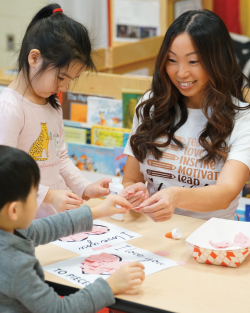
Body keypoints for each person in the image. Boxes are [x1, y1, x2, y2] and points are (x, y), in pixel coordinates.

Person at [121, 10, 250, 221]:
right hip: (155, 233)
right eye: (172, 60)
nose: (181, 73)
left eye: (193, 62)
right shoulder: (151, 105)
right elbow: (131, 179)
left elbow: (226, 193)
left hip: (211, 240)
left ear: (217, 61)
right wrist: (134, 193)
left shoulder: (242, 119)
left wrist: (174, 196)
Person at [0, 145, 145, 313]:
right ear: (14, 211)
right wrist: (110, 286)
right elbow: (60, 310)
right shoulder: (16, 265)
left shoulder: (7, 230)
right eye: (35, 196)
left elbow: (47, 227)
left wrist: (98, 211)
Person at [0, 4, 112, 218]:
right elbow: (6, 173)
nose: (64, 88)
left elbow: (59, 158)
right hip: (26, 218)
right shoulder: (10, 108)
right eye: (61, 78)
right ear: (34, 58)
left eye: (70, 80)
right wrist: (49, 195)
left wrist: (83, 187)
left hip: (56, 215)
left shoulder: (52, 103)